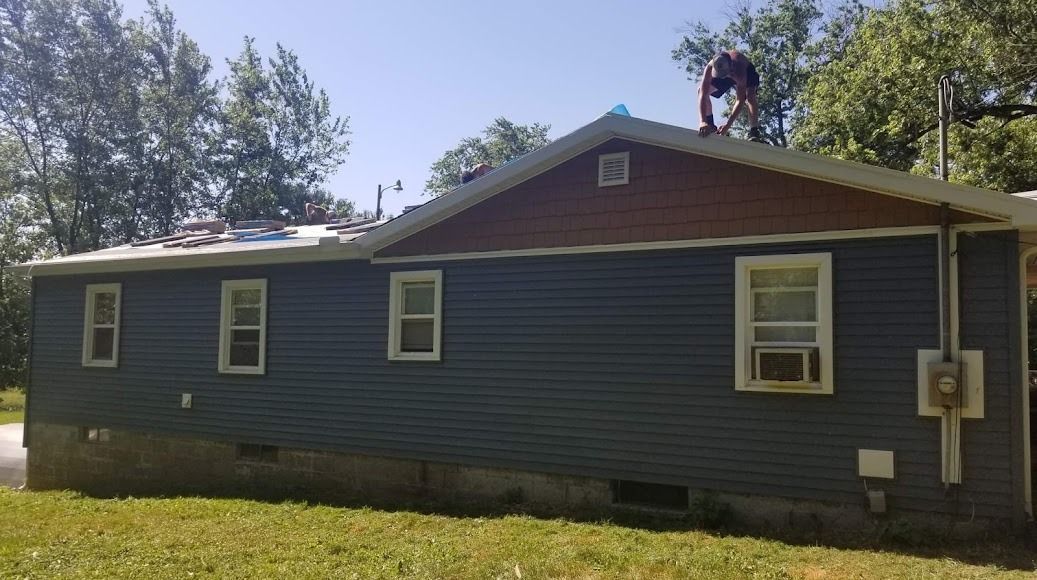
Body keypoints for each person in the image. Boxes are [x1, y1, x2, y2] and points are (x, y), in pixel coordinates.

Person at [697, 50, 763, 142]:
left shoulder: (739, 70)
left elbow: (740, 100)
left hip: (746, 71)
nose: (725, 77)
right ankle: (710, 125)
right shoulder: (710, 66)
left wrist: (727, 125)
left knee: (750, 96)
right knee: (700, 90)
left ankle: (754, 131)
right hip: (725, 71)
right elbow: (703, 94)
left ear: (731, 66)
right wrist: (703, 121)